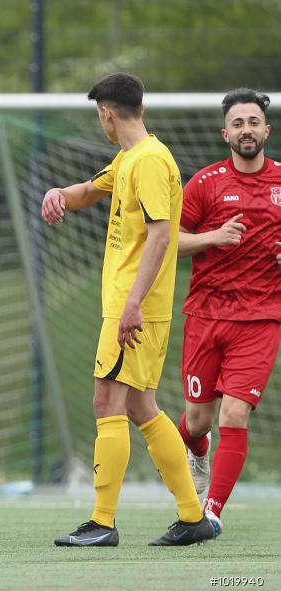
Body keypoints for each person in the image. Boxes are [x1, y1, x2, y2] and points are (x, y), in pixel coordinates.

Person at [40, 73, 214, 546]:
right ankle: (192, 516)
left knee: (106, 402)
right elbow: (89, 190)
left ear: (106, 114)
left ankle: (102, 523)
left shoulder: (150, 162)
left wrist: (132, 303)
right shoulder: (129, 158)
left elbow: (161, 236)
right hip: (134, 306)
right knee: (140, 405)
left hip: (134, 307)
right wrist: (59, 194)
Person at [175, 88, 279, 538]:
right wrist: (212, 237)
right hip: (206, 315)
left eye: (253, 122)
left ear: (266, 130)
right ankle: (197, 451)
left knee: (234, 415)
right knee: (197, 422)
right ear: (225, 134)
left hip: (260, 319)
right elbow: (168, 241)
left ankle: (211, 513)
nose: (246, 130)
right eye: (238, 124)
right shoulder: (205, 183)